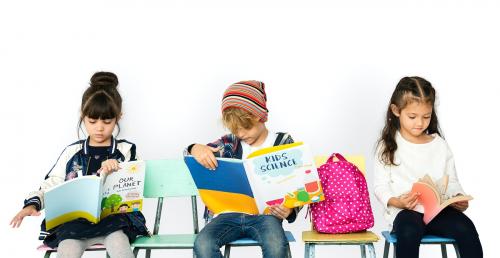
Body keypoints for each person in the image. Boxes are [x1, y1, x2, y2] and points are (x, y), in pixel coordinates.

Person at [10, 72, 148, 258]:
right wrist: (32, 204)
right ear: (83, 117)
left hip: (114, 222)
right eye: (92, 121)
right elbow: (52, 183)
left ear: (118, 117)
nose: (99, 128)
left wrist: (119, 168)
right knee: (67, 248)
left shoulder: (126, 150)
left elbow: (137, 184)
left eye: (107, 121)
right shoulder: (71, 152)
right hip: (75, 225)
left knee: (119, 244)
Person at [186, 80, 298, 258]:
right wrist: (195, 148)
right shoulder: (230, 142)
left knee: (276, 245)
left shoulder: (283, 142)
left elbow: (296, 184)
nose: (241, 134)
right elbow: (192, 155)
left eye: (246, 127)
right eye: (235, 130)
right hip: (227, 215)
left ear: (260, 116)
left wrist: (290, 209)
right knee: (203, 244)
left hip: (266, 217)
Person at [373, 76, 483, 258]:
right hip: (405, 212)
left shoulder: (439, 145)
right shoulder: (388, 146)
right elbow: (380, 186)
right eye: (412, 116)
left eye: (426, 116)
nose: (420, 123)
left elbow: (451, 180)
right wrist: (397, 202)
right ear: (396, 110)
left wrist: (457, 198)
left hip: (437, 212)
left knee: (466, 228)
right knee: (408, 231)